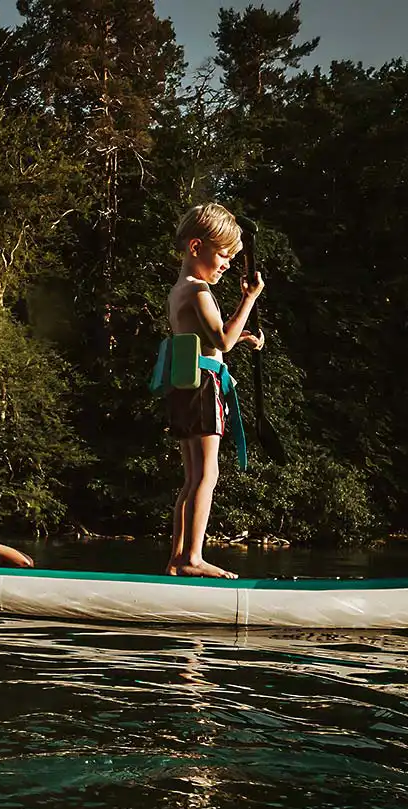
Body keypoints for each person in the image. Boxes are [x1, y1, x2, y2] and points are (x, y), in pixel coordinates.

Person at [152, 203, 265, 579]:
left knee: (192, 477)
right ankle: (192, 557)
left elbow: (209, 339)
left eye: (233, 257)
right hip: (203, 388)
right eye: (223, 255)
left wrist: (241, 334)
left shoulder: (179, 289)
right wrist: (249, 299)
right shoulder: (198, 291)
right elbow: (222, 340)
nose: (228, 264)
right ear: (196, 246)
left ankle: (177, 558)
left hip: (186, 386)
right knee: (207, 475)